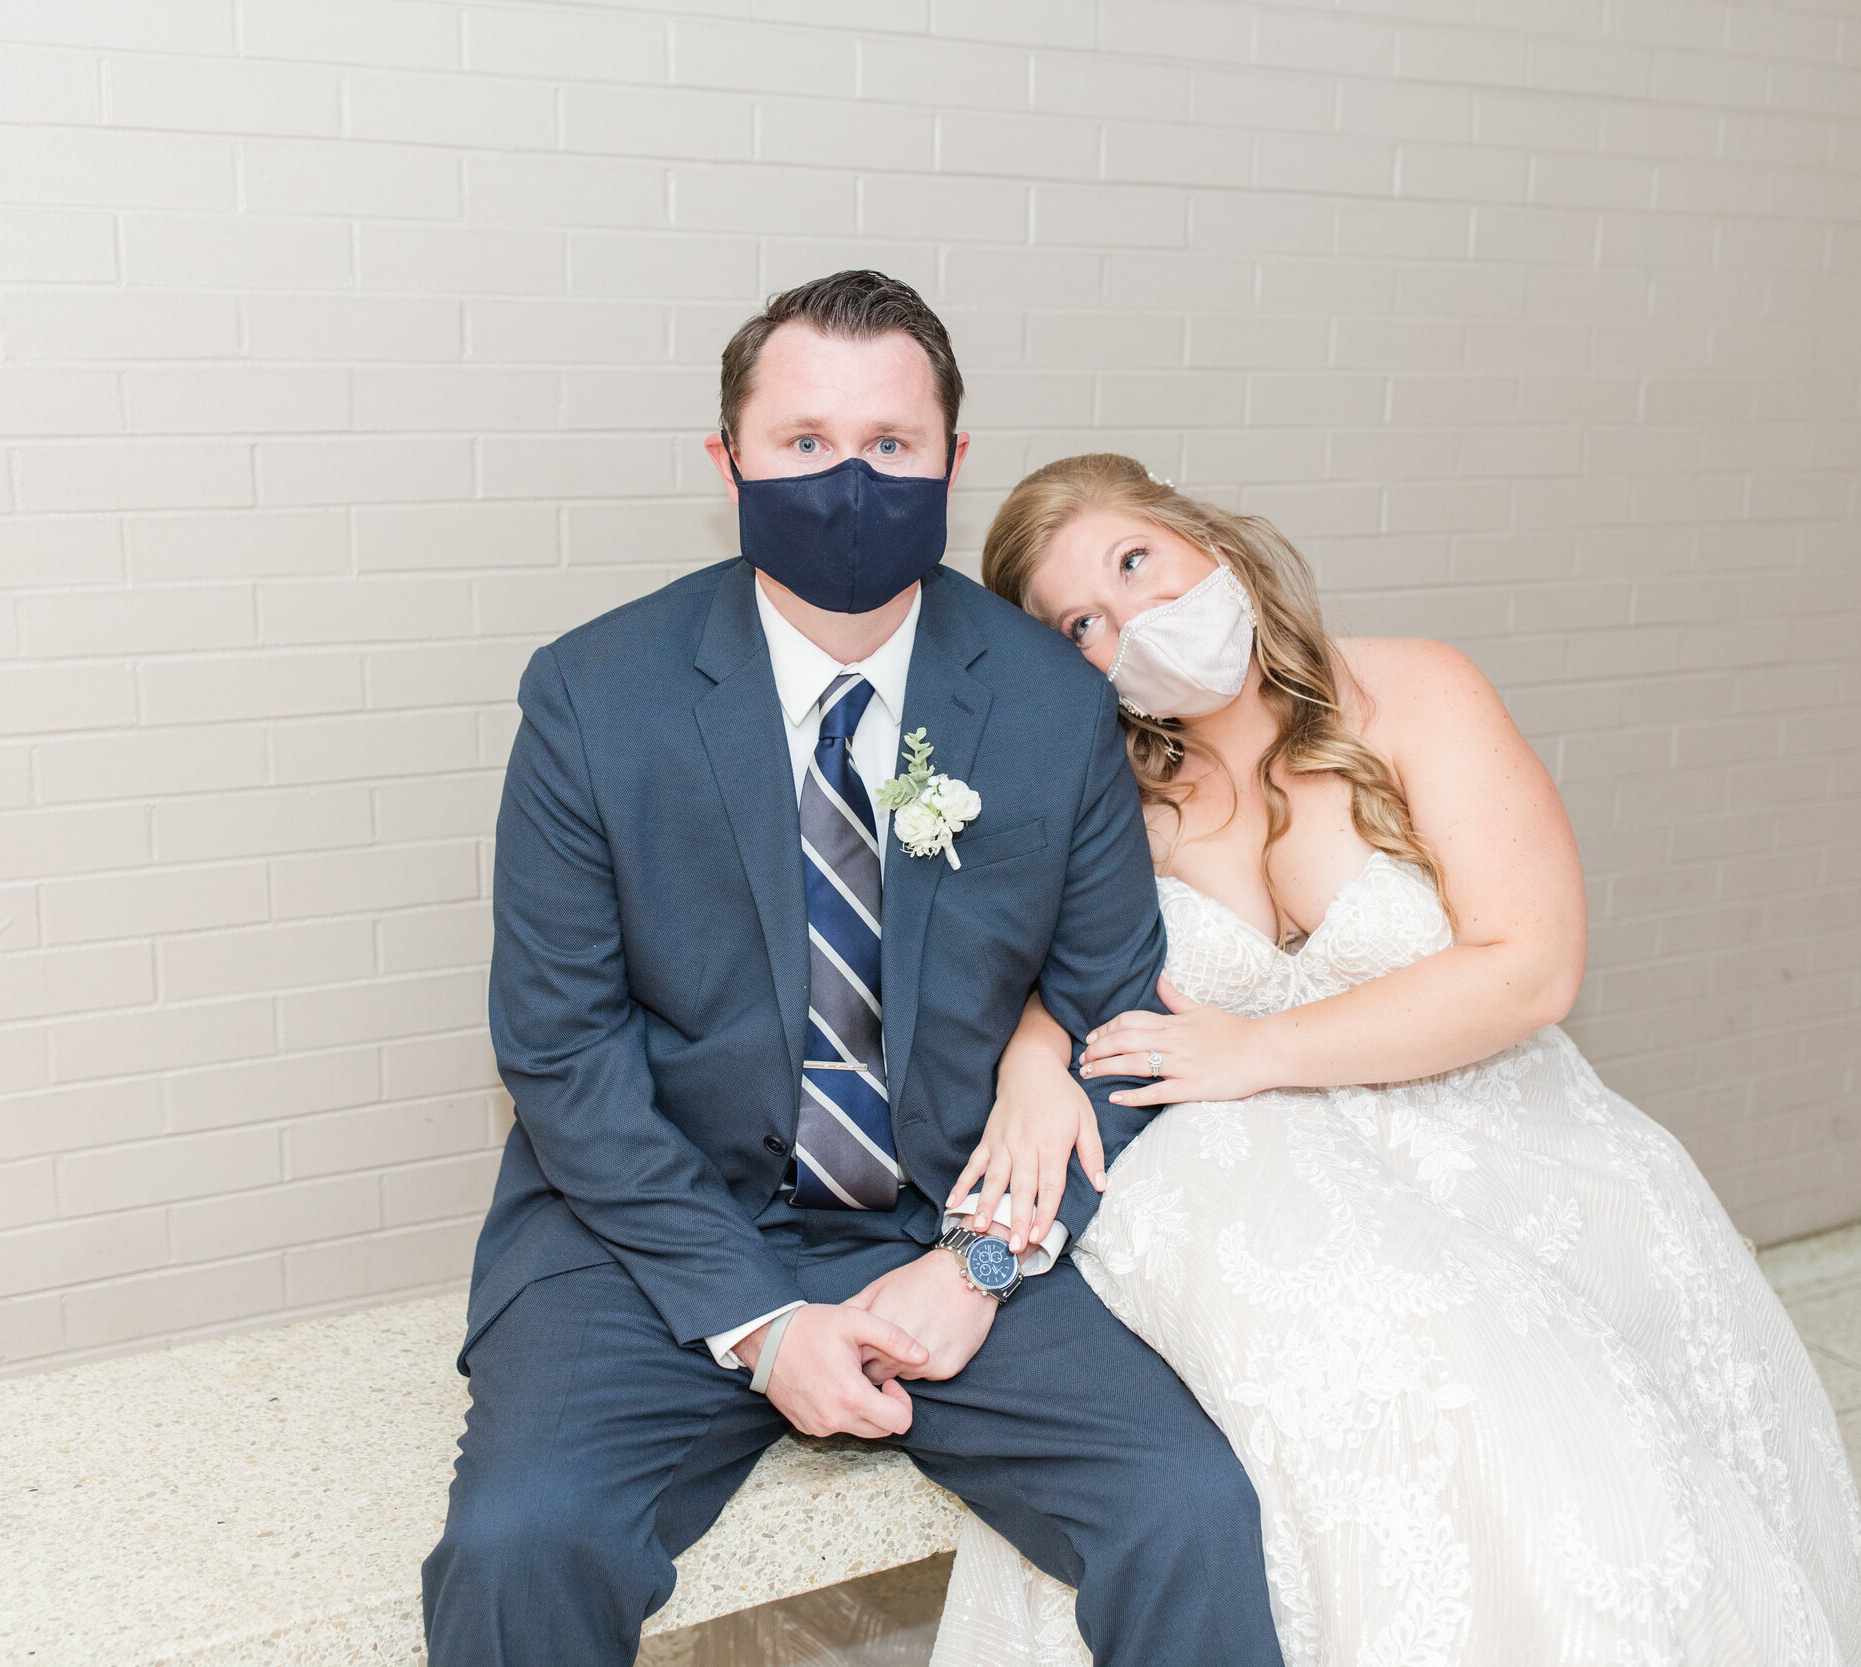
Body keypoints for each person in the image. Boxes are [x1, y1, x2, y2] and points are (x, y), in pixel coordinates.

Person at [420, 277, 1287, 1667]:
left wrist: (982, 1262)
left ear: (952, 458)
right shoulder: (596, 694)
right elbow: (561, 1051)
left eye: (891, 443)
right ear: (729, 464)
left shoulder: (1052, 701)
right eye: (804, 440)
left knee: (1186, 1509)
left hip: (949, 1217)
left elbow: (1116, 1010)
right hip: (646, 1230)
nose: (848, 476)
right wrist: (758, 1319)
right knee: (518, 1547)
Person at [929, 454, 1861, 1667]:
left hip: (1490, 1127)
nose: (1130, 622)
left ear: (1206, 540)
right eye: (1084, 621)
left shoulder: (1415, 691)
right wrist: (1029, 1063)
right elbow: (1045, 967)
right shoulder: (1113, 786)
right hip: (1256, 1184)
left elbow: (1531, 964)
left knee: (1557, 1437)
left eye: (1136, 565)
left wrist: (1262, 1046)